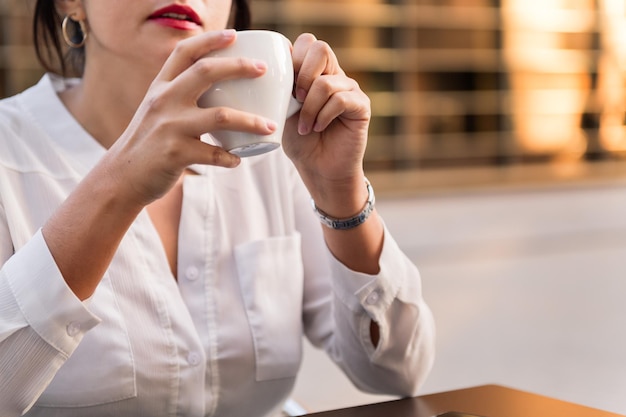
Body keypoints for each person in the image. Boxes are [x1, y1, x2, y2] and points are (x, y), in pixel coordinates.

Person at [0, 0, 435, 416]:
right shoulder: (9, 153)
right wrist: (118, 186)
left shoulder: (275, 148)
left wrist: (340, 192)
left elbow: (398, 372)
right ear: (69, 2)